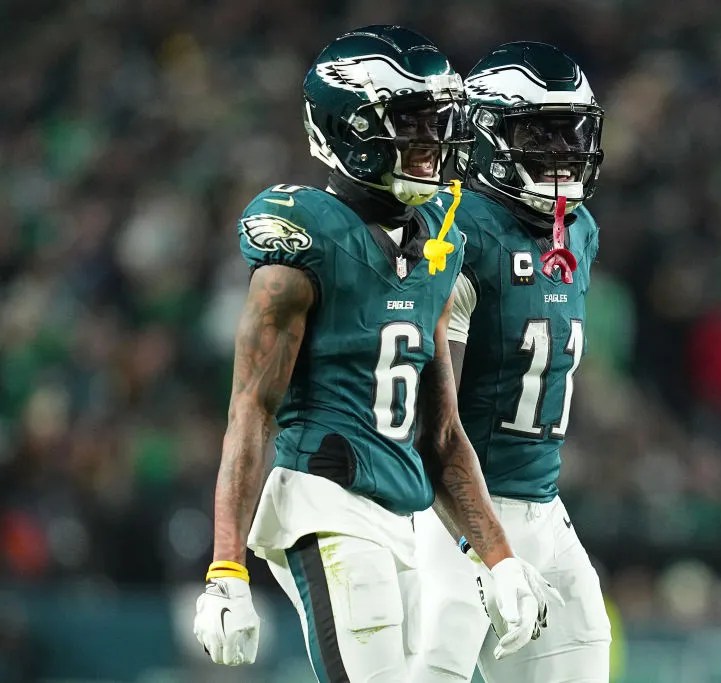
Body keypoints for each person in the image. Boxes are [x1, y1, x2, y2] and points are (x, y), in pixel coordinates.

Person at [192, 26, 558, 683]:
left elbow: (440, 433)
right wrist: (226, 567)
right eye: (410, 123)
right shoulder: (301, 246)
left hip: (406, 516)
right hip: (322, 501)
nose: (430, 141)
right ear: (346, 128)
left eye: (436, 121)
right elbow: (250, 412)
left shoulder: (437, 245)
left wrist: (498, 556)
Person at [412, 42, 612, 682]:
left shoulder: (577, 229)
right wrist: (481, 546)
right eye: (540, 133)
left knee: (584, 651)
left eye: (571, 131)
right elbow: (430, 426)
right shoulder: (452, 230)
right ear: (487, 134)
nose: (562, 150)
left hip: (543, 507)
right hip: (452, 517)